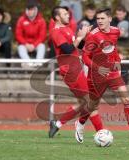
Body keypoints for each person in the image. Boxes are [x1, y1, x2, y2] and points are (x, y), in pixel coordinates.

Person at [82, 8, 129, 144]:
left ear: (110, 19)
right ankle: (80, 123)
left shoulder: (116, 31)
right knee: (93, 105)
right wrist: (97, 68)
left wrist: (117, 60)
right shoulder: (93, 35)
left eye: (102, 18)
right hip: (96, 74)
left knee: (127, 99)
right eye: (98, 19)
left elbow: (113, 48)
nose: (99, 21)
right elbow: (85, 57)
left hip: (112, 72)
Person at [48, 6, 104, 143]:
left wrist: (86, 37)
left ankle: (58, 124)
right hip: (70, 71)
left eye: (67, 13)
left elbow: (77, 46)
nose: (68, 15)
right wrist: (79, 37)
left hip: (77, 68)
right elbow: (67, 49)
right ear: (57, 17)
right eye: (64, 13)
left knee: (83, 102)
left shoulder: (67, 28)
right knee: (92, 102)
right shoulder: (56, 31)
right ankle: (101, 133)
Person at [111, 5, 129, 84]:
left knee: (124, 68)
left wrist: (125, 35)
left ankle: (123, 88)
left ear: (125, 13)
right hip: (114, 47)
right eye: (117, 14)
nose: (119, 16)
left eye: (120, 14)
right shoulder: (112, 22)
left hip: (127, 47)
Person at [15, 1, 46, 67]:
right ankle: (29, 64)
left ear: (36, 10)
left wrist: (34, 45)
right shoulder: (21, 20)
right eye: (29, 9)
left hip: (36, 44)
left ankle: (38, 64)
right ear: (26, 10)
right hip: (25, 44)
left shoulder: (41, 20)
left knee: (42, 46)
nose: (30, 11)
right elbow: (18, 35)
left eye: (32, 10)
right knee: (20, 48)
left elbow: (42, 36)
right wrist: (26, 44)